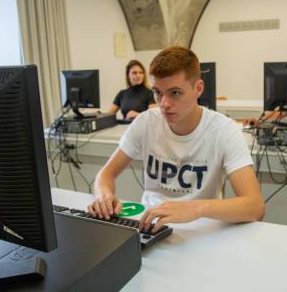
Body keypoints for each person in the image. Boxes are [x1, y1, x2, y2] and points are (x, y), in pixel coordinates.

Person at [88, 46, 265, 233]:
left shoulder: (224, 130)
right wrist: (103, 195)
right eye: (157, 92)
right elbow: (105, 175)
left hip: (201, 230)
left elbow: (255, 206)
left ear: (198, 88)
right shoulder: (145, 123)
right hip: (149, 225)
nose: (164, 104)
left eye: (175, 93)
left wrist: (197, 208)